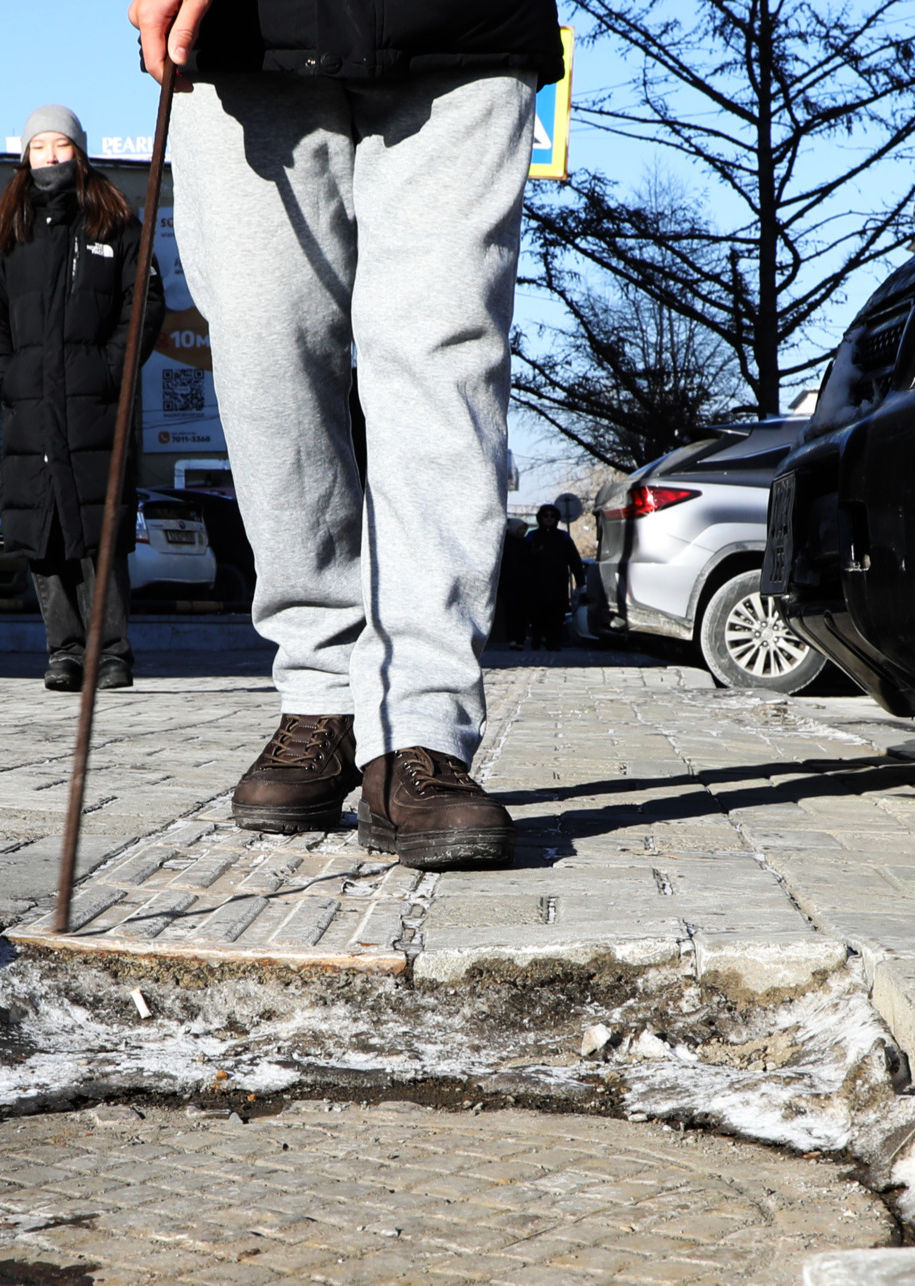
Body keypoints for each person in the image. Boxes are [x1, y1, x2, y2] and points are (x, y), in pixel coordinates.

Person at [129, 0, 564, 869]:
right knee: (265, 354)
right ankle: (321, 690)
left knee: (442, 359)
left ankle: (419, 726)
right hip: (249, 36)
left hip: (464, 31)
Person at [0, 106, 166, 694]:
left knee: (98, 529)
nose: (50, 157)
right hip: (32, 406)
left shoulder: (115, 222)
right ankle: (65, 651)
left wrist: (110, 369)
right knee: (42, 531)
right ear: (25, 156)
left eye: (61, 145)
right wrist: (8, 377)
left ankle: (111, 653)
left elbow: (143, 304)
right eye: (39, 147)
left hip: (95, 405)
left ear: (80, 152)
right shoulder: (8, 230)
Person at [523, 504, 585, 651]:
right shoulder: (532, 536)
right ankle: (537, 639)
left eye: (552, 516)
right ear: (540, 518)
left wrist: (580, 580)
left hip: (558, 582)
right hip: (536, 583)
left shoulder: (563, 537)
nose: (549, 519)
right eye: (546, 516)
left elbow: (574, 559)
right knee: (537, 614)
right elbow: (523, 558)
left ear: (557, 519)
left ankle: (554, 642)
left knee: (556, 614)